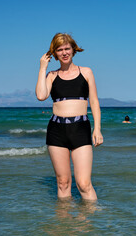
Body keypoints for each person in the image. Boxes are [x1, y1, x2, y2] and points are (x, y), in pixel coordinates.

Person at [36, 33, 103, 201]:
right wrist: (42, 67)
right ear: (54, 53)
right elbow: (41, 95)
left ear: (74, 50)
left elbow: (94, 102)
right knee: (63, 183)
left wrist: (97, 129)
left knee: (83, 184)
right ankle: (65, 225)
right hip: (56, 131)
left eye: (67, 49)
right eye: (60, 50)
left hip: (80, 129)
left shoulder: (86, 72)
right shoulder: (51, 75)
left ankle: (89, 224)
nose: (64, 53)